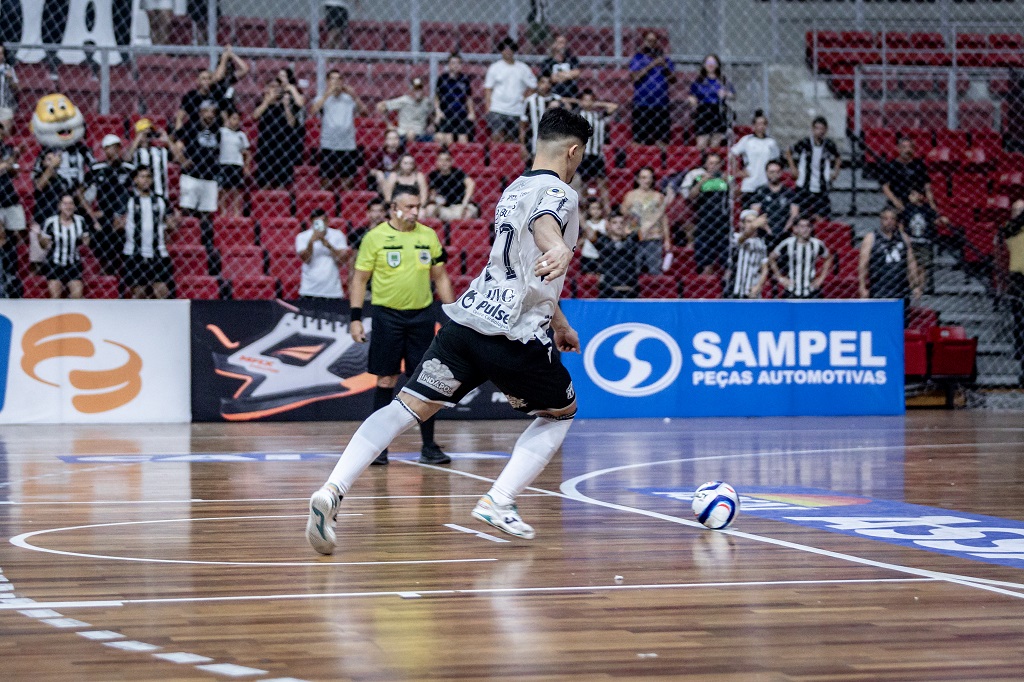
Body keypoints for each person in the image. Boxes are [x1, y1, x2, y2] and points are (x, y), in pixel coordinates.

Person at [305, 107, 592, 553]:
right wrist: (558, 248)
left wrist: (560, 322)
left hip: (468, 322)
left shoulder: (513, 188)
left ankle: (332, 489)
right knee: (561, 413)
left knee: (405, 407)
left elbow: (521, 268)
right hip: (513, 336)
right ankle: (499, 499)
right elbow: (544, 225)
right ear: (573, 152)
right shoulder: (561, 192)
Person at [346, 187, 455, 467]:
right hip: (387, 317)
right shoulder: (375, 237)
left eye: (418, 206)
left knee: (426, 381)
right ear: (394, 208)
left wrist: (453, 314)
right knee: (386, 380)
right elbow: (359, 279)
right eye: (409, 207)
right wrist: (355, 317)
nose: (415, 212)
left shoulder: (428, 235)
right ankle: (378, 448)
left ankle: (429, 446)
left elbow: (440, 277)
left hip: (422, 316)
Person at [173, 99, 220, 254]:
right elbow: (176, 141)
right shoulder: (191, 126)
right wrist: (182, 160)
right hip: (191, 176)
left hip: (210, 177)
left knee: (207, 214)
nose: (210, 115)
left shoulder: (217, 130)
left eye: (213, 112)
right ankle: (186, 241)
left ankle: (205, 246)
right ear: (200, 112)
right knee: (187, 210)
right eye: (207, 111)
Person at [122, 166, 175, 299]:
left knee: (162, 292)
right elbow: (118, 223)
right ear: (135, 180)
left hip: (158, 252)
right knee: (139, 293)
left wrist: (171, 222)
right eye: (142, 176)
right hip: (135, 253)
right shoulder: (128, 199)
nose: (145, 180)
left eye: (148, 177)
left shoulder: (161, 200)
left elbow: (171, 224)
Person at [87, 134, 136, 275]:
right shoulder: (97, 168)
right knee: (102, 234)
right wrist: (91, 213)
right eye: (110, 148)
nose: (113, 151)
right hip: (104, 215)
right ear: (104, 150)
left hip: (126, 215)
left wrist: (127, 215)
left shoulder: (129, 168)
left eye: (116, 147)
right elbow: (80, 191)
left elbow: (136, 193)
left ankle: (123, 273)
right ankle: (107, 272)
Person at [858, 206, 922, 310]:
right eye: (886, 218)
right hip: (879, 288)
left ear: (896, 221)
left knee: (901, 317)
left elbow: (911, 262)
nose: (889, 222)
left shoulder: (903, 237)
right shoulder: (872, 238)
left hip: (901, 288)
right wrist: (862, 286)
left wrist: (915, 285)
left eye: (892, 219)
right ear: (881, 220)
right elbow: (863, 264)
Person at [312, 69, 366, 192]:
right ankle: (326, 202)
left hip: (347, 144)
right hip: (329, 144)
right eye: (333, 79)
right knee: (326, 180)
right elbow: (313, 111)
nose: (336, 82)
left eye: (339, 79)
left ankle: (346, 202)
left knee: (348, 181)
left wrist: (354, 96)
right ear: (328, 81)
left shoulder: (349, 98)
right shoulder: (322, 98)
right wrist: (327, 94)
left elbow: (365, 112)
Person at [174, 46, 249, 129]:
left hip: (224, 107)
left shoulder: (228, 79)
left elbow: (245, 69)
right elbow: (218, 76)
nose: (225, 70)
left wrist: (231, 54)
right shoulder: (212, 82)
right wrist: (224, 57)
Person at [568, 89, 616, 210]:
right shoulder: (577, 116)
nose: (587, 103)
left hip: (597, 154)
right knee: (582, 184)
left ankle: (608, 211)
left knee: (602, 184)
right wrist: (579, 102)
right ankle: (584, 210)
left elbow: (613, 107)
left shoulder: (599, 116)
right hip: (583, 154)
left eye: (590, 100)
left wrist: (596, 104)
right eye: (585, 100)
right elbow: (564, 102)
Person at [253, 76, 304, 189]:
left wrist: (286, 106)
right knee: (264, 184)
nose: (275, 90)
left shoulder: (286, 104)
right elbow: (255, 116)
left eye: (277, 87)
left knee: (282, 186)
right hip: (266, 149)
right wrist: (267, 101)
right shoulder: (262, 103)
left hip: (283, 149)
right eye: (272, 87)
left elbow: (292, 123)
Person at [484, 37, 537, 144]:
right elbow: (488, 88)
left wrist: (525, 99)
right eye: (505, 48)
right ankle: (496, 154)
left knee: (512, 140)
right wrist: (488, 107)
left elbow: (534, 86)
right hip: (497, 108)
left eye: (510, 48)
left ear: (514, 50)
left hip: (517, 110)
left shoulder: (523, 68)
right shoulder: (495, 68)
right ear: (501, 51)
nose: (508, 51)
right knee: (497, 137)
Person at [787, 116, 841, 220]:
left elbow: (838, 157)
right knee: (800, 216)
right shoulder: (805, 142)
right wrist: (793, 168)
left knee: (821, 217)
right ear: (812, 129)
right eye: (817, 128)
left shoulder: (829, 144)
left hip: (821, 186)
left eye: (822, 129)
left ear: (826, 130)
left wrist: (835, 172)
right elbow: (789, 152)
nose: (819, 131)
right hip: (804, 185)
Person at [629, 31, 676, 150]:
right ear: (644, 42)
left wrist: (664, 66)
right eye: (649, 41)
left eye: (654, 41)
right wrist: (652, 64)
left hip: (661, 103)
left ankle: (663, 159)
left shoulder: (665, 59)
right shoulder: (638, 58)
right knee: (639, 140)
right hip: (642, 103)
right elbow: (635, 77)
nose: (651, 43)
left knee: (663, 141)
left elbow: (673, 79)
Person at [688, 151, 732, 273]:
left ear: (721, 165)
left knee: (726, 261)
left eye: (716, 163)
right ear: (706, 165)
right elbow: (691, 196)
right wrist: (702, 181)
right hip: (705, 223)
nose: (714, 166)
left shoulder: (727, 178)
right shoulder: (699, 178)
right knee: (706, 261)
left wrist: (728, 181)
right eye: (711, 163)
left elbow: (737, 195)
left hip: (723, 223)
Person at [38, 193, 89, 299]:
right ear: (59, 206)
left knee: (77, 297)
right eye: (65, 204)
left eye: (71, 203)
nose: (68, 206)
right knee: (55, 297)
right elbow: (44, 245)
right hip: (55, 263)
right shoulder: (51, 222)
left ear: (74, 206)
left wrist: (85, 241)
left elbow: (86, 240)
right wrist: (39, 236)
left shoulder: (80, 221)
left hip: (73, 263)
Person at [621, 166, 669, 274]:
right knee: (633, 270)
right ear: (638, 179)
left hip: (653, 237)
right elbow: (623, 214)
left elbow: (663, 219)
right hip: (635, 237)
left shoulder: (658, 196)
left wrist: (667, 239)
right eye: (643, 177)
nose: (646, 180)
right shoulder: (630, 195)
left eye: (649, 177)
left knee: (655, 271)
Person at [296, 208, 349, 307]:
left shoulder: (337, 235)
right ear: (311, 222)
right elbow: (306, 259)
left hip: (333, 291)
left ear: (327, 221)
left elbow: (343, 260)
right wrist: (311, 242)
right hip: (309, 289)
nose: (321, 225)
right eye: (317, 222)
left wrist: (328, 245)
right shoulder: (302, 236)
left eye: (323, 221)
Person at [770, 216, 832, 298]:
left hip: (811, 289)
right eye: (802, 226)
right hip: (792, 289)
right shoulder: (788, 243)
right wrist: (780, 277)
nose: (805, 229)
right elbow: (771, 258)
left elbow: (828, 258)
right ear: (795, 228)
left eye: (808, 226)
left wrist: (821, 278)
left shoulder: (817, 244)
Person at [900, 188, 945, 293]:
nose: (910, 197)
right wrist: (903, 236)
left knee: (922, 267)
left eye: (913, 194)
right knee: (911, 266)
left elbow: (935, 220)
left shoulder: (927, 209)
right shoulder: (908, 209)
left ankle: (921, 288)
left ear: (921, 196)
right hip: (911, 242)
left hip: (925, 242)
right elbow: (902, 223)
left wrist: (942, 220)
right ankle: (912, 287)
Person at [586, 210, 640, 298]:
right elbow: (587, 230)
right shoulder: (603, 241)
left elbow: (645, 229)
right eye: (615, 223)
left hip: (630, 290)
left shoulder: (631, 240)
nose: (619, 225)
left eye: (621, 223)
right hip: (607, 291)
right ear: (608, 225)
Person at [730, 110, 780, 204]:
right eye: (758, 124)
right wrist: (738, 170)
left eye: (763, 124)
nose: (761, 126)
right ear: (753, 126)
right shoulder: (747, 140)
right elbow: (732, 153)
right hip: (750, 182)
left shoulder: (771, 142)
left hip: (765, 182)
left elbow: (775, 160)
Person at [748, 160, 799, 248]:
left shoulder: (789, 192)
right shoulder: (759, 191)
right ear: (766, 173)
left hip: (785, 233)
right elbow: (754, 214)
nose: (774, 174)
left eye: (777, 172)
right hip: (764, 234)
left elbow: (794, 214)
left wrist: (785, 230)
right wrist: (768, 230)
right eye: (771, 172)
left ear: (781, 172)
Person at [688, 54, 734, 149]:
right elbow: (691, 95)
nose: (711, 64)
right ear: (704, 65)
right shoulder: (699, 81)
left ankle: (713, 157)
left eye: (713, 62)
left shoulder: (722, 80)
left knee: (715, 144)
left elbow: (733, 95)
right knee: (701, 144)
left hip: (718, 111)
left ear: (717, 65)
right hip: (703, 111)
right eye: (708, 62)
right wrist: (692, 100)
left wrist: (726, 94)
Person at [1000, 199, 1024, 383]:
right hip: (1018, 277)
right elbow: (1010, 228)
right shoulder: (1010, 227)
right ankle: (1019, 348)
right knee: (1019, 316)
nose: (1019, 213)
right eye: (1016, 210)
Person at [0, 126, 26, 295]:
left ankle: (10, 273)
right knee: (1, 236)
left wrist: (14, 158)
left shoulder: (7, 148)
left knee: (15, 236)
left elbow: (14, 173)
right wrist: (8, 162)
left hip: (8, 196)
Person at [881, 136, 935, 213]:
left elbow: (927, 185)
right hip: (898, 201)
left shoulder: (919, 165)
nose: (908, 150)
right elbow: (885, 186)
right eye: (904, 147)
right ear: (899, 149)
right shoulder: (891, 165)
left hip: (917, 201)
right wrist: (895, 201)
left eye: (910, 147)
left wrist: (931, 202)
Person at [434, 52, 476, 146]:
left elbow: (469, 97)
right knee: (448, 138)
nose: (455, 65)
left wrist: (471, 112)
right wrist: (438, 111)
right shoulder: (442, 79)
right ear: (448, 65)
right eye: (453, 63)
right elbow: (437, 97)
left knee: (463, 139)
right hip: (446, 113)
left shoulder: (464, 79)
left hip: (461, 114)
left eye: (458, 63)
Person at [424, 149, 478, 221]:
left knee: (468, 213)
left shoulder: (458, 173)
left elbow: (471, 184)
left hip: (459, 206)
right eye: (441, 160)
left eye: (447, 160)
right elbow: (432, 193)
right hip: (443, 207)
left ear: (451, 161)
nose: (444, 163)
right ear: (437, 162)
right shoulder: (433, 175)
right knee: (430, 209)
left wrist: (465, 202)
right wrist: (436, 199)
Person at [376, 77, 433, 143]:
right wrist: (389, 125)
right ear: (411, 90)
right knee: (411, 134)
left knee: (439, 137)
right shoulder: (404, 100)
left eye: (420, 89)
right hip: (404, 134)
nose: (418, 92)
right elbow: (380, 105)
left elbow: (431, 114)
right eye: (415, 89)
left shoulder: (426, 102)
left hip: (421, 134)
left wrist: (431, 124)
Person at [728, 210, 769, 299]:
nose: (752, 224)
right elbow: (742, 239)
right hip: (736, 289)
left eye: (754, 221)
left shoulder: (761, 242)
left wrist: (758, 287)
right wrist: (754, 225)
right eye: (749, 221)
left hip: (752, 289)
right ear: (742, 224)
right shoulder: (735, 236)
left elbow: (764, 269)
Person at [128, 118, 172, 199]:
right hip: (140, 196)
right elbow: (126, 159)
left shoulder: (160, 151)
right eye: (145, 132)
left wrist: (168, 141)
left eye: (150, 132)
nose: (148, 134)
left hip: (160, 194)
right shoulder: (135, 152)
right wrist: (137, 140)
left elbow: (181, 160)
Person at [218, 110, 251, 216]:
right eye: (234, 119)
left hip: (237, 164)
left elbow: (246, 152)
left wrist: (246, 166)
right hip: (224, 163)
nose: (236, 122)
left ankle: (236, 212)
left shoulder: (241, 135)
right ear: (228, 119)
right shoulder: (222, 132)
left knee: (237, 190)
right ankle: (223, 212)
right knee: (223, 190)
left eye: (238, 120)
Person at [521, 74, 562, 157]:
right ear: (538, 84)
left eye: (548, 83)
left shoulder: (557, 99)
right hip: (535, 141)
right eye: (543, 82)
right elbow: (522, 125)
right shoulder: (530, 101)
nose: (546, 85)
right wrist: (522, 146)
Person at [541, 33, 581, 99]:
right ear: (553, 44)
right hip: (553, 97)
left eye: (564, 43)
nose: (563, 45)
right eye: (560, 43)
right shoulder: (547, 62)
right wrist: (568, 75)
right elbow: (550, 79)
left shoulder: (572, 59)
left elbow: (576, 73)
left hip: (571, 96)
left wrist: (558, 75)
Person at [579, 198, 606, 273]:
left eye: (598, 208)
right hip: (587, 255)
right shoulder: (587, 223)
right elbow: (583, 239)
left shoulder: (605, 223)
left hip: (600, 255)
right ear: (588, 210)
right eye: (593, 208)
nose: (596, 211)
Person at [0, 45, 19, 126]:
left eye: (1, 53)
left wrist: (10, 78)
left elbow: (16, 88)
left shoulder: (8, 68)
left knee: (4, 131)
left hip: (5, 106)